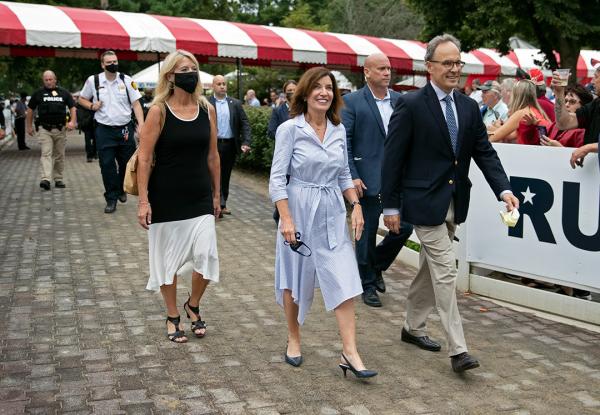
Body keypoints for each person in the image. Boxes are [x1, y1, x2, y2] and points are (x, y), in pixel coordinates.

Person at [382, 34, 519, 373]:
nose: (455, 69)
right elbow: (392, 159)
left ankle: (412, 328)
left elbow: (484, 152)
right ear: (429, 67)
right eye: (447, 63)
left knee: (430, 269)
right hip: (422, 203)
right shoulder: (410, 105)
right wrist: (390, 207)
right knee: (446, 269)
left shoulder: (469, 107)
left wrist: (503, 190)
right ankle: (459, 349)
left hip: (455, 202)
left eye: (458, 62)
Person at [269, 66, 376, 379]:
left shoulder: (338, 129)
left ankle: (350, 352)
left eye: (329, 87)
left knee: (343, 278)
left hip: (331, 211)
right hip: (298, 208)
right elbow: (277, 179)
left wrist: (355, 205)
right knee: (294, 277)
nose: (324, 92)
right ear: (305, 93)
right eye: (317, 87)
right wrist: (286, 218)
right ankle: (293, 337)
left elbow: (343, 173)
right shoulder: (290, 129)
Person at [137, 50, 221, 343]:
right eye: (184, 68)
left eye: (194, 68)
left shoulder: (207, 108)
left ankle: (193, 303)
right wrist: (144, 201)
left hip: (199, 197)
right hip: (166, 198)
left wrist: (217, 195)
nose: (190, 73)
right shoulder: (158, 110)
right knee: (166, 261)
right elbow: (145, 159)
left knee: (207, 256)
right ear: (170, 76)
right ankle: (173, 315)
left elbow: (213, 156)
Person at [342, 53, 413, 308]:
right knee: (366, 233)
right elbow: (345, 143)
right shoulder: (351, 102)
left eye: (389, 68)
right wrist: (352, 175)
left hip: (397, 179)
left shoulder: (400, 100)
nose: (387, 72)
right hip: (367, 180)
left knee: (405, 226)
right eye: (381, 68)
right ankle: (367, 284)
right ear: (367, 72)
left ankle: (377, 265)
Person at [79, 51, 144, 214]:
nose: (113, 64)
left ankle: (122, 188)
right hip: (103, 129)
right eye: (109, 62)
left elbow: (136, 104)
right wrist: (92, 106)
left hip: (124, 129)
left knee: (126, 163)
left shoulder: (126, 80)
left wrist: (141, 125)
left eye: (115, 61)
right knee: (107, 165)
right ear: (102, 64)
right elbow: (81, 99)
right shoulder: (93, 81)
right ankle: (111, 198)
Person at [208, 76, 251, 216]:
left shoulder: (235, 103)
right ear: (213, 86)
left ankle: (222, 203)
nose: (222, 86)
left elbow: (245, 123)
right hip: (212, 145)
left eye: (224, 84)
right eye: (219, 84)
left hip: (229, 145)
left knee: (225, 175)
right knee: (213, 174)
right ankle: (214, 202)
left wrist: (246, 142)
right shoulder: (206, 102)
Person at [26, 71, 76, 190]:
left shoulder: (64, 93)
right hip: (44, 129)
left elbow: (73, 107)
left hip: (60, 129)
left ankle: (58, 179)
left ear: (55, 79)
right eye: (46, 80)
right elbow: (30, 110)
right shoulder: (38, 94)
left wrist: (72, 122)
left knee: (59, 155)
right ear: (43, 81)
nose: (48, 82)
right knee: (46, 153)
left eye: (50, 79)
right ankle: (46, 179)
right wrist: (28, 126)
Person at [488, 79, 551, 144]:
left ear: (516, 96)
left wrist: (490, 130)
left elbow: (493, 137)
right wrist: (499, 128)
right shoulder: (534, 110)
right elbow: (512, 135)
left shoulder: (522, 113)